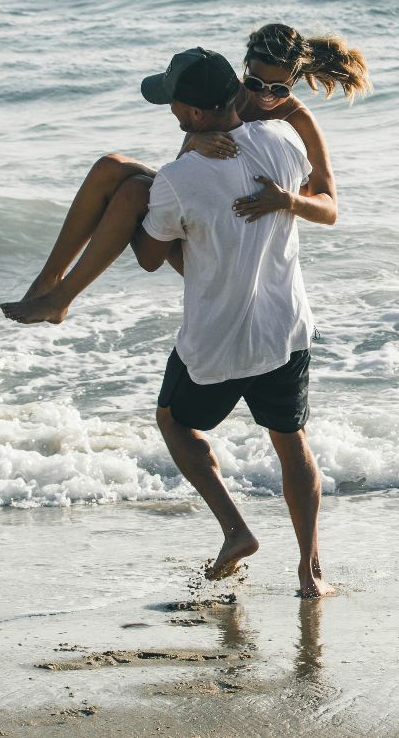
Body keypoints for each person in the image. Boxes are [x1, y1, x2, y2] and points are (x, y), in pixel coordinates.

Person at [125, 46, 332, 597]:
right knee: (292, 443)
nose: (171, 110)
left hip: (215, 341)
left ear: (192, 114)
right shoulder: (286, 144)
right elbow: (320, 199)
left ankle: (236, 530)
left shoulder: (177, 177)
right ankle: (310, 573)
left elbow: (149, 256)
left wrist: (137, 200)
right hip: (283, 331)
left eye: (173, 104)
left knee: (173, 422)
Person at [0, 23, 367, 325]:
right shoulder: (226, 97)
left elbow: (330, 208)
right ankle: (49, 282)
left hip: (236, 250)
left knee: (132, 191)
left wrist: (287, 200)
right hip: (203, 216)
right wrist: (194, 144)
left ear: (295, 81)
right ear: (244, 71)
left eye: (279, 89)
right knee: (109, 167)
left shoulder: (298, 121)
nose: (264, 97)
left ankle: (61, 298)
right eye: (255, 84)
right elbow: (183, 169)